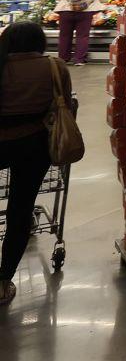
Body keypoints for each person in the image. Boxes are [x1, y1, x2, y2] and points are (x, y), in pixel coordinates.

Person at [0, 21, 76, 304]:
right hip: (34, 148)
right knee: (19, 212)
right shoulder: (55, 67)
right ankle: (3, 280)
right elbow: (64, 106)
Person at [53, 0, 108, 65]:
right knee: (82, 36)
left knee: (64, 35)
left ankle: (63, 59)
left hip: (66, 10)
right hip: (85, 12)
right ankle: (79, 60)